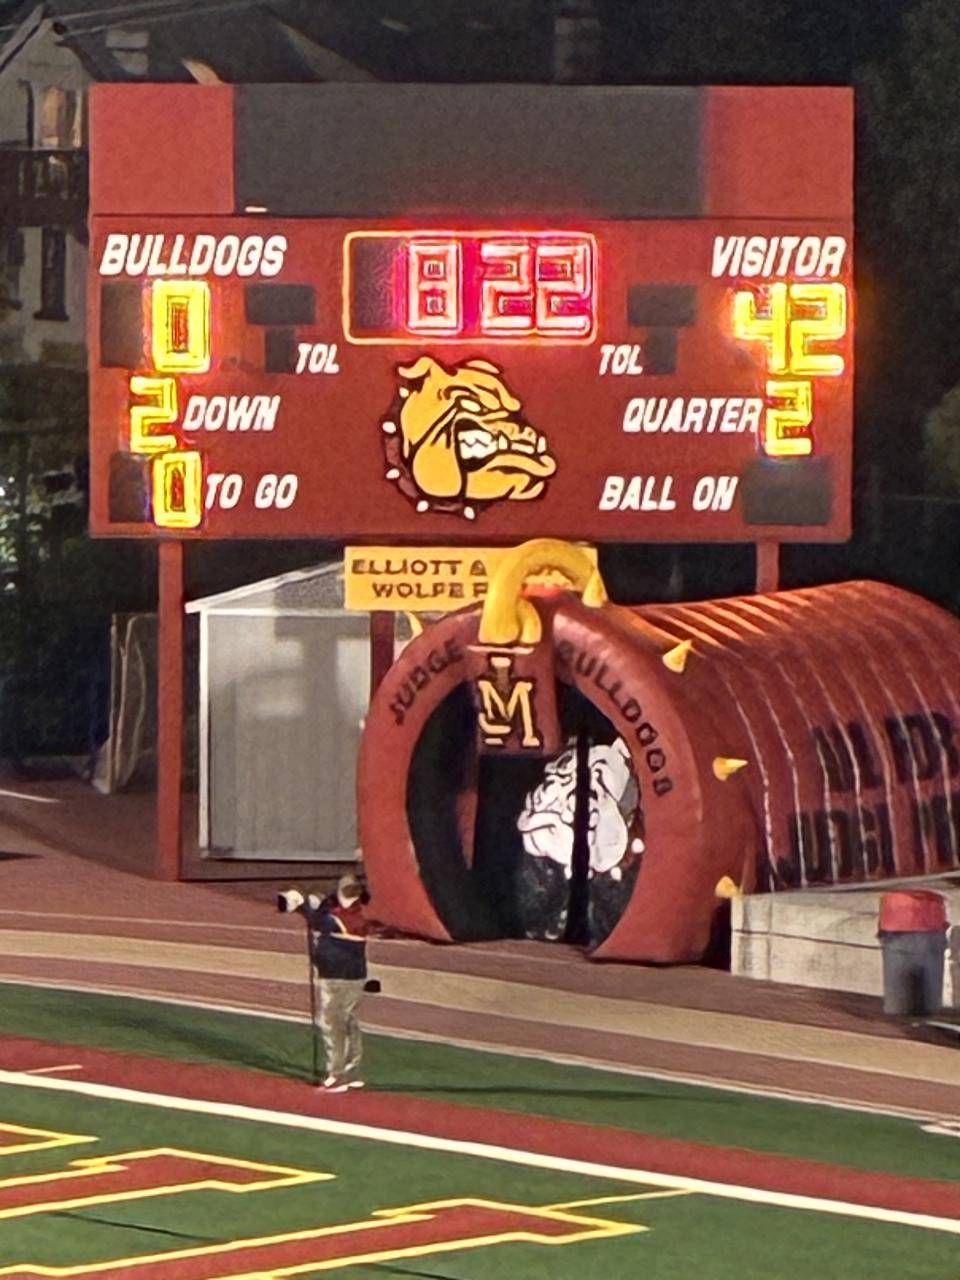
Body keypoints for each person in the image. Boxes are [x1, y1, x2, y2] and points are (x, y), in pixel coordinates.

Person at [308, 873, 370, 1092]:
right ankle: (352, 1070)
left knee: (332, 1022)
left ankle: (337, 1074)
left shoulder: (346, 918)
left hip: (339, 975)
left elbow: (319, 921)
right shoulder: (355, 912)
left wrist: (308, 905)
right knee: (347, 1020)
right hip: (348, 975)